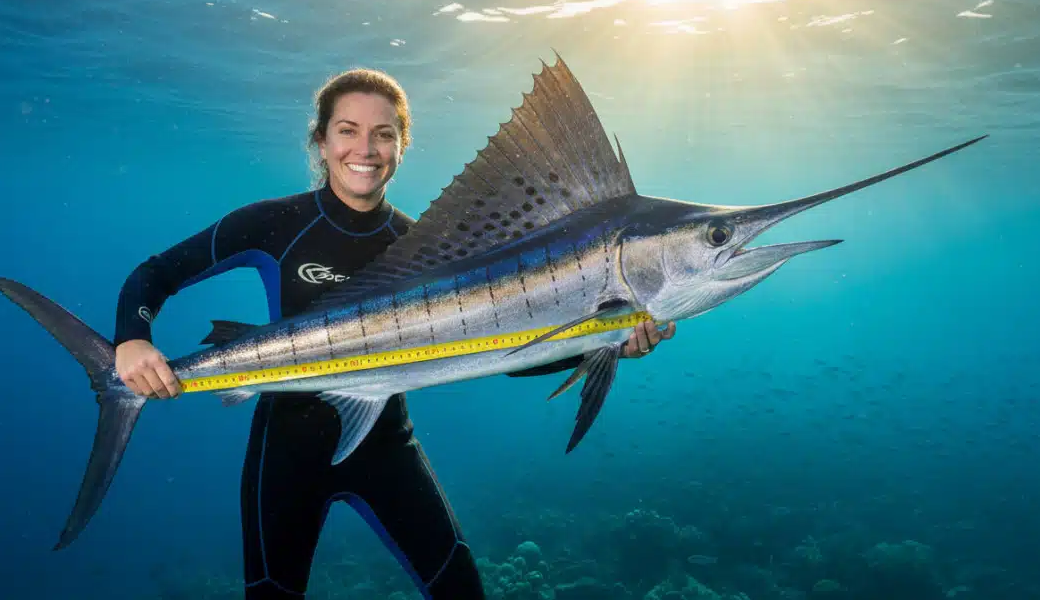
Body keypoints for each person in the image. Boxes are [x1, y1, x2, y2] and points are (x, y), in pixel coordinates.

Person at [111, 68, 677, 599]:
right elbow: (154, 275)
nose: (365, 150)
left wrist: (607, 342)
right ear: (321, 141)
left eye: (383, 134)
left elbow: (511, 353)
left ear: (402, 145)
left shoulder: (425, 248)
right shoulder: (272, 223)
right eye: (348, 131)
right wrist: (130, 340)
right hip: (285, 454)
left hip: (386, 446)